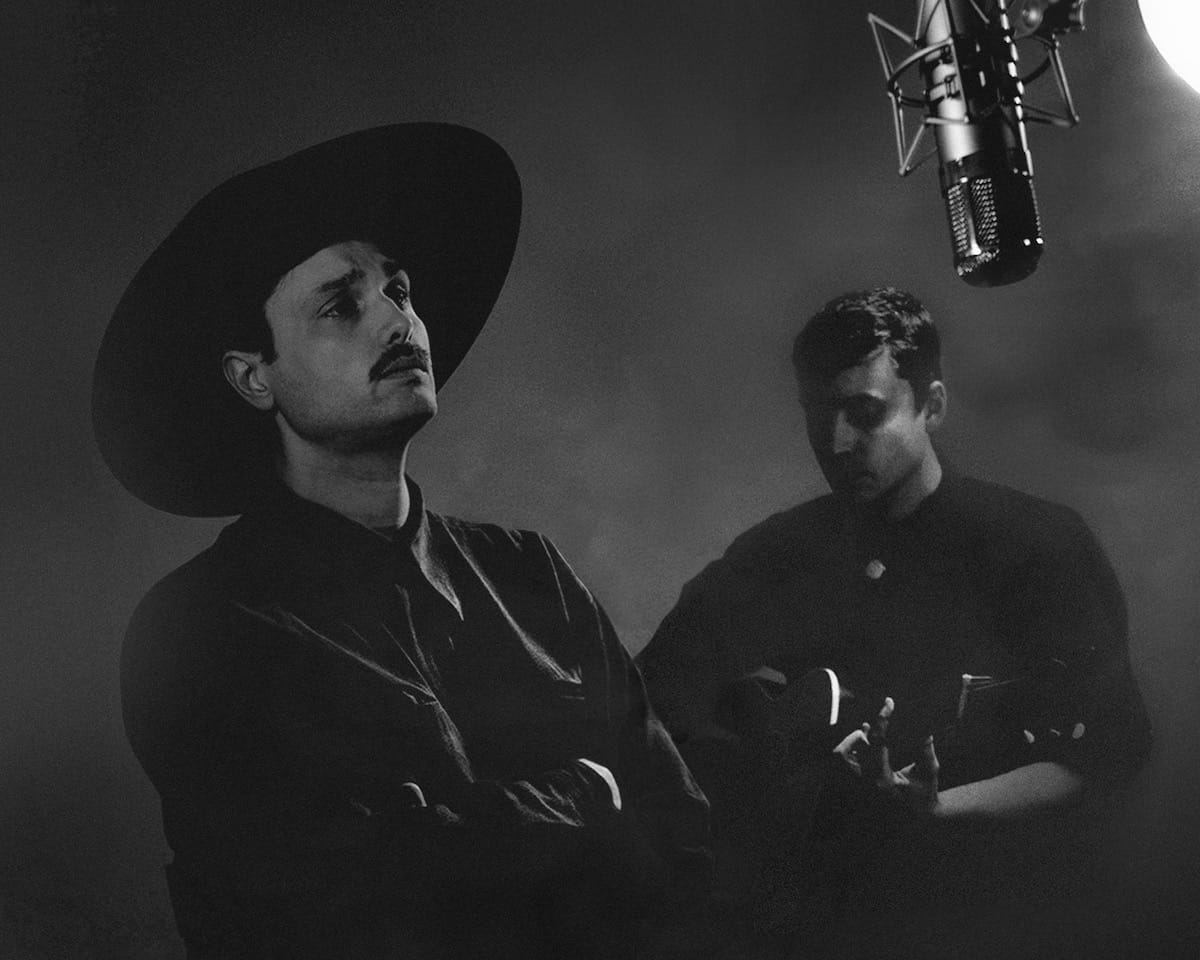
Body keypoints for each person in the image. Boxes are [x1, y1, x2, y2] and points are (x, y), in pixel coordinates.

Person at [94, 123, 710, 960]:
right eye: (341, 305)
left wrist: (473, 839)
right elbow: (334, 911)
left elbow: (682, 837)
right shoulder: (201, 631)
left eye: (401, 292)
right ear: (252, 376)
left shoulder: (531, 574)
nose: (398, 319)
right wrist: (584, 797)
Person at [637, 287, 1151, 958]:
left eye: (864, 412)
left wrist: (941, 812)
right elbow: (651, 695)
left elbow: (1111, 750)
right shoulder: (776, 553)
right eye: (817, 413)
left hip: (983, 922)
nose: (835, 441)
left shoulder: (1037, 547)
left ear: (931, 405)